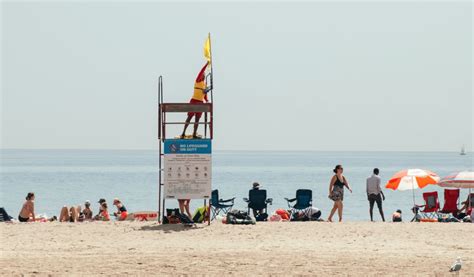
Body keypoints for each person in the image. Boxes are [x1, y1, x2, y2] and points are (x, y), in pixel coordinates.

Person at [180, 62, 212, 139]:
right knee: (189, 117)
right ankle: (183, 133)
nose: (202, 75)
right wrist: (206, 64)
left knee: (197, 119)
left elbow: (204, 95)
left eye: (203, 75)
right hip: (194, 100)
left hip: (200, 103)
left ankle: (194, 134)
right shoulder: (197, 81)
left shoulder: (204, 84)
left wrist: (207, 100)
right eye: (202, 74)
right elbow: (201, 71)